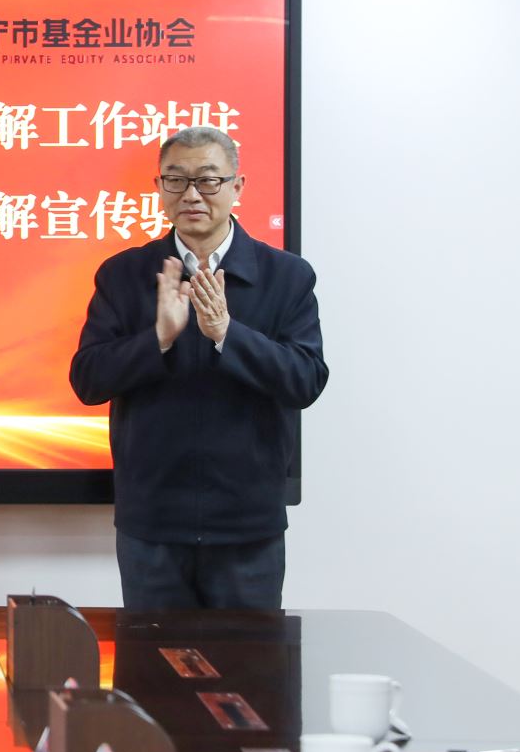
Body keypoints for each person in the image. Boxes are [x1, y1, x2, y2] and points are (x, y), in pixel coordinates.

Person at [69, 127, 327, 609]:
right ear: (159, 187)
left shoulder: (287, 275)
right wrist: (158, 339)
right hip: (151, 522)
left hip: (247, 524)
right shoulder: (124, 274)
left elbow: (306, 380)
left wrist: (228, 333)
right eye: (176, 180)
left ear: (237, 186)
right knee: (150, 657)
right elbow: (88, 380)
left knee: (250, 659)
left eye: (208, 180)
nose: (191, 195)